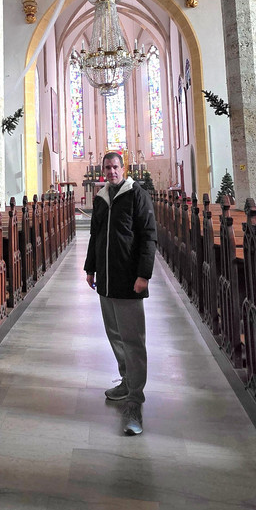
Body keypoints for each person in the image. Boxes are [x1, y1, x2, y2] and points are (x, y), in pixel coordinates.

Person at [84, 151, 157, 436]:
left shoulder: (137, 195)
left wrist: (144, 275)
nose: (111, 171)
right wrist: (90, 269)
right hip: (106, 279)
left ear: (123, 168)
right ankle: (127, 381)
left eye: (115, 167)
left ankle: (135, 402)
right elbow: (95, 235)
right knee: (114, 335)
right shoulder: (101, 198)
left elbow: (148, 236)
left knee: (133, 340)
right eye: (107, 167)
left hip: (129, 280)